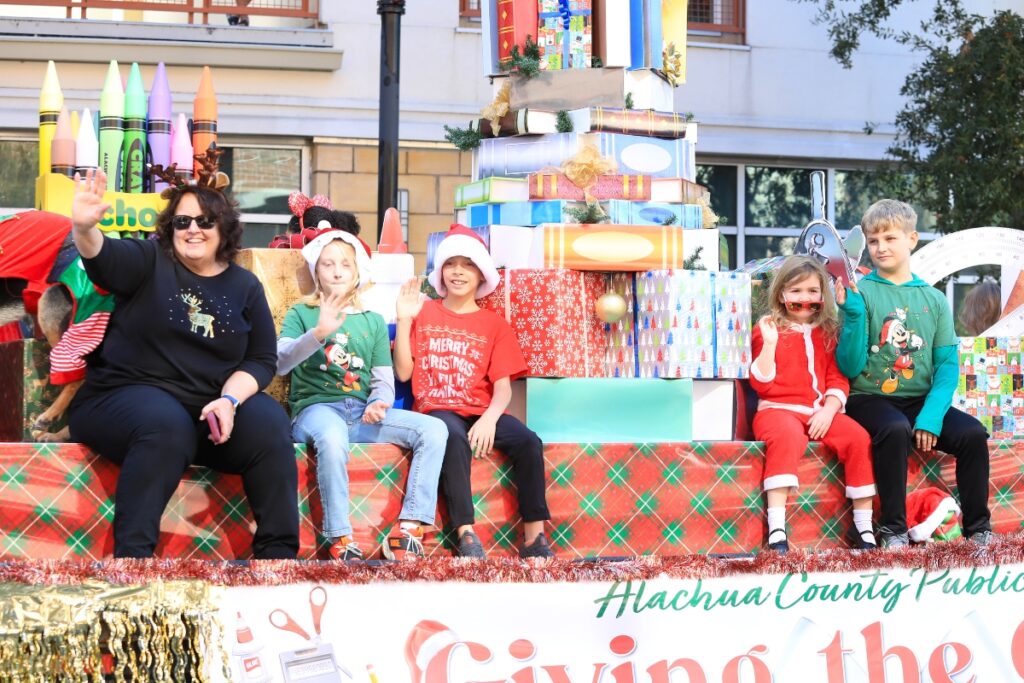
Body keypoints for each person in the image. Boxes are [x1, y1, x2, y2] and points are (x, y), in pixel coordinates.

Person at [67, 167, 299, 559]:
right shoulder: (149, 260)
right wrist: (84, 229)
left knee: (269, 423)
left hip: (206, 411)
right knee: (165, 424)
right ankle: (133, 563)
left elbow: (260, 359)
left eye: (205, 221)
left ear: (223, 228)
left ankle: (277, 562)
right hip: (122, 397)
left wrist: (229, 401)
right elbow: (102, 258)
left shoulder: (244, 286)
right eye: (182, 221)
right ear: (170, 228)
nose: (194, 229)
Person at [277, 228, 446, 561]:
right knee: (333, 436)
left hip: (361, 414)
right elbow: (281, 363)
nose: (337, 271)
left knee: (434, 429)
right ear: (317, 272)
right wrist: (319, 333)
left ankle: (409, 528)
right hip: (316, 411)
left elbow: (383, 378)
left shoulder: (372, 322)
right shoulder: (302, 314)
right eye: (328, 264)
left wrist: (378, 402)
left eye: (344, 264)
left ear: (357, 273)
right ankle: (340, 537)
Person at [837, 199, 993, 548]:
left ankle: (978, 530)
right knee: (894, 428)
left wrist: (931, 418)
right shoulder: (860, 292)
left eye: (890, 238)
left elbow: (947, 366)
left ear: (912, 239)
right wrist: (853, 314)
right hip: (869, 398)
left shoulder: (934, 299)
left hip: (919, 402)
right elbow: (848, 366)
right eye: (873, 241)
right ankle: (893, 529)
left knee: (972, 435)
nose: (880, 248)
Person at [393, 225, 553, 559]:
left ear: (481, 274)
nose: (458, 272)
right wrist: (404, 320)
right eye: (451, 264)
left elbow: (503, 389)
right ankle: (466, 533)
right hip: (439, 408)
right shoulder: (425, 312)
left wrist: (490, 420)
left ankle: (534, 537)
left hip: (482, 409)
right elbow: (404, 372)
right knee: (450, 434)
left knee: (528, 440)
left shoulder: (493, 324)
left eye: (467, 265)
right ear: (440, 271)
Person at [750, 255, 877, 552]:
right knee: (787, 437)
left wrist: (830, 409)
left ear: (822, 295)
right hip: (776, 411)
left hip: (821, 410)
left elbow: (838, 378)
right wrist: (769, 345)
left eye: (811, 291)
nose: (803, 298)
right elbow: (761, 383)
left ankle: (864, 527)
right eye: (795, 291)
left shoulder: (829, 332)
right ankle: (777, 529)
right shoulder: (768, 329)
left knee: (858, 438)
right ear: (781, 294)